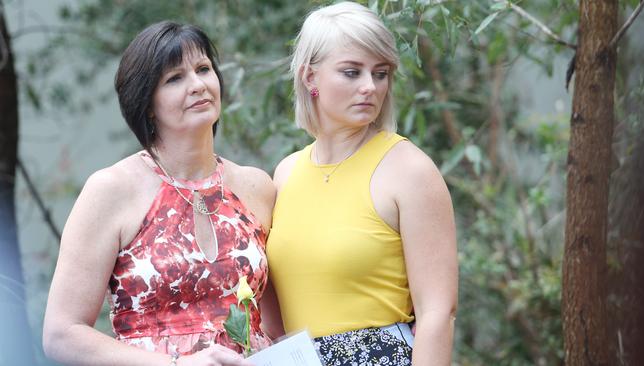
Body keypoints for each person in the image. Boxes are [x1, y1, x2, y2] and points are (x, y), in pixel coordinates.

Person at [42, 21, 276, 366]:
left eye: (203, 69)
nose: (197, 85)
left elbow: (277, 321)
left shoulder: (257, 187)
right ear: (148, 103)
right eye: (175, 78)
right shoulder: (111, 190)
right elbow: (62, 334)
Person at [266, 2, 458, 365]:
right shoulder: (286, 173)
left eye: (380, 73)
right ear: (310, 77)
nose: (370, 87)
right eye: (352, 72)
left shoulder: (409, 169)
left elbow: (438, 312)